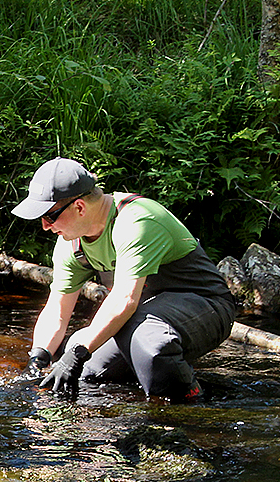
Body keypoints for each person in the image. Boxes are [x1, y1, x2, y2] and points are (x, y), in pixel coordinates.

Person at [14, 157, 238, 402]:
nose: (45, 226)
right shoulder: (71, 242)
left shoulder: (137, 220)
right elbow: (57, 310)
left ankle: (189, 408)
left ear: (79, 207)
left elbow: (125, 301)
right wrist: (39, 357)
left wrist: (79, 353)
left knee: (147, 345)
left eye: (50, 216)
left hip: (207, 306)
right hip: (143, 315)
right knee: (77, 365)